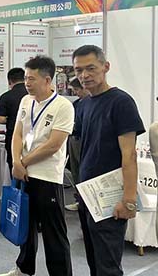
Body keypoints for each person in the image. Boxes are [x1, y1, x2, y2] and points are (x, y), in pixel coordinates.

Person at [72, 45, 145, 276]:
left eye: (91, 68)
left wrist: (129, 200)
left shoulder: (121, 102)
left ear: (106, 67)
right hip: (88, 194)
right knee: (94, 260)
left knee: (108, 266)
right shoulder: (84, 104)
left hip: (110, 196)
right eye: (79, 70)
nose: (84, 75)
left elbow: (129, 155)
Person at [0, 56, 74, 276]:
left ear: (47, 80)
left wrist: (22, 162)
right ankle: (24, 269)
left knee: (54, 233)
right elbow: (17, 134)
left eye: (31, 79)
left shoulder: (63, 106)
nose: (27, 83)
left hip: (47, 176)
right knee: (25, 226)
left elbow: (54, 144)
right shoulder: (26, 101)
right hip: (23, 174)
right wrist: (16, 162)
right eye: (25, 78)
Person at [64, 78, 89, 211]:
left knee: (84, 171)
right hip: (73, 139)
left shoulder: (90, 103)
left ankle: (86, 201)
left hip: (84, 140)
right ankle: (79, 200)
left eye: (77, 90)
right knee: (75, 171)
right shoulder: (76, 104)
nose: (75, 93)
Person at [0, 68, 28, 174]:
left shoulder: (6, 96)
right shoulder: (32, 95)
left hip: (13, 137)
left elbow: (0, 119)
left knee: (14, 166)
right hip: (31, 136)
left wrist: (11, 119)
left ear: (9, 81)